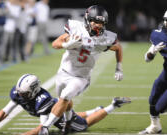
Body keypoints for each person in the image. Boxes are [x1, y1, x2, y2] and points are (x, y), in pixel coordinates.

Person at [40, 5, 124, 135]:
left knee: (65, 97)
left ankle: (45, 127)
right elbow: (55, 44)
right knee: (65, 102)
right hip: (63, 72)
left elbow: (118, 48)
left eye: (101, 23)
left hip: (81, 77)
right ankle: (68, 123)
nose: (98, 25)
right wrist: (66, 44)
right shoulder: (76, 29)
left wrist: (119, 67)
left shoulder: (105, 39)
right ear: (87, 19)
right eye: (95, 21)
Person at [0, 74, 131, 135]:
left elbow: (42, 128)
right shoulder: (20, 93)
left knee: (83, 126)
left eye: (24, 94)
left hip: (58, 115)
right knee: (71, 114)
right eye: (20, 92)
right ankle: (94, 109)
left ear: (34, 90)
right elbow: (5, 111)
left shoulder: (42, 100)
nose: (20, 96)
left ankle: (113, 105)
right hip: (59, 111)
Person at [139, 11, 167, 134]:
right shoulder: (159, 35)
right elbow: (147, 58)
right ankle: (155, 126)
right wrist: (153, 51)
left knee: (161, 107)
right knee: (154, 94)